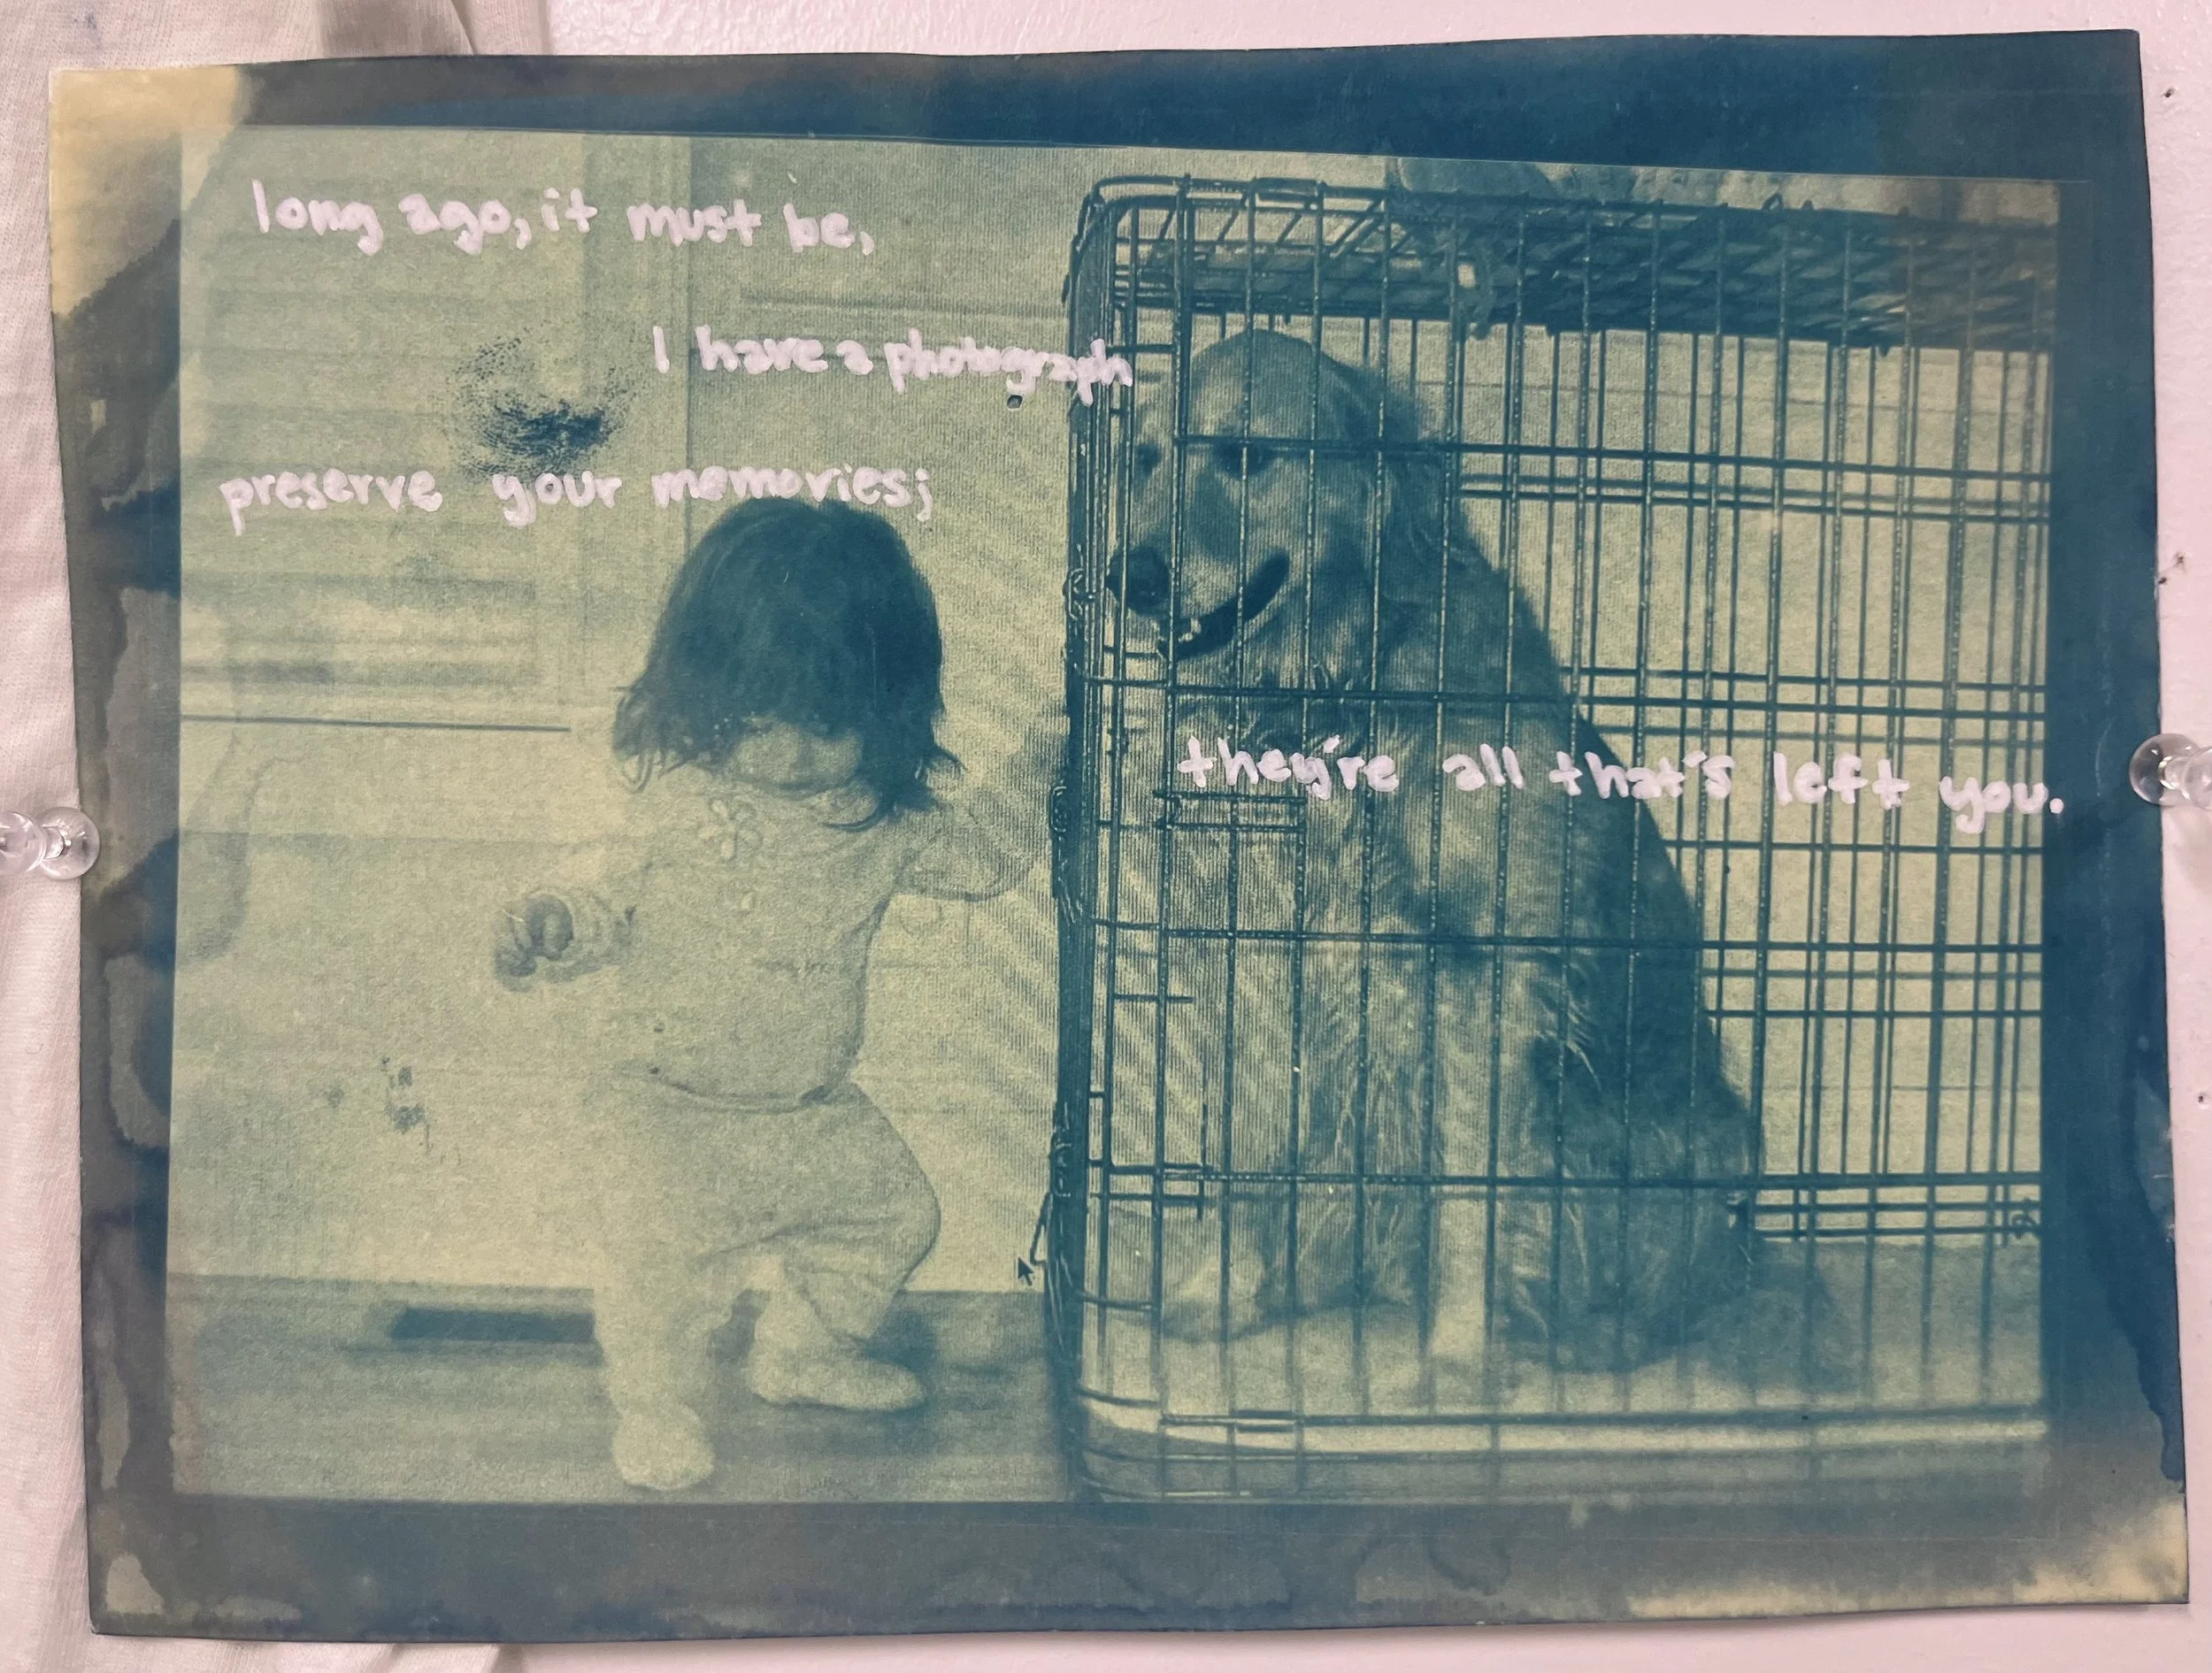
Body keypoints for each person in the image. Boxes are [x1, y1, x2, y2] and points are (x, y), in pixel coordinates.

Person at [495, 496, 1064, 1493]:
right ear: (704, 697)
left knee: (895, 1217)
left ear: (884, 712)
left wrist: (1045, 759)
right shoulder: (674, 800)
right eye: (756, 722)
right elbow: (602, 892)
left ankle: (796, 1351)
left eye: (826, 725)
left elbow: (980, 859)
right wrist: (553, 919)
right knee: (657, 1281)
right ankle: (654, 1405)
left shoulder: (874, 819)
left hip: (810, 1109)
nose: (790, 755)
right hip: (663, 1109)